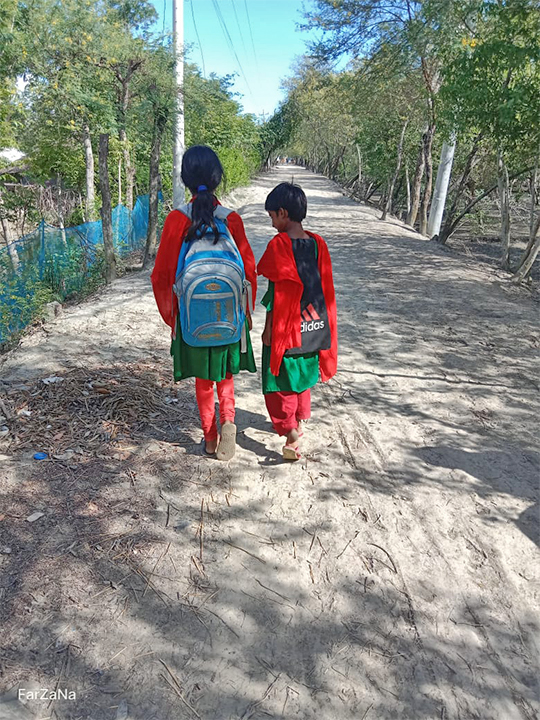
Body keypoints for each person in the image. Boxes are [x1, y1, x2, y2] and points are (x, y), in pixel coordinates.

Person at [151, 145, 257, 460]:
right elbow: (247, 269)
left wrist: (173, 318)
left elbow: (162, 275)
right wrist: (245, 314)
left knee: (203, 381)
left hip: (192, 316)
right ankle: (228, 421)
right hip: (228, 315)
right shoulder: (231, 218)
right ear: (217, 177)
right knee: (224, 375)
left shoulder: (176, 219)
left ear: (185, 179)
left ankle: (210, 438)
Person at [257, 182, 338, 460]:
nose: (271, 223)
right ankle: (300, 420)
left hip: (285, 328)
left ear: (283, 213)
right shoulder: (317, 243)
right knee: (303, 375)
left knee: (279, 382)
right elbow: (325, 286)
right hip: (314, 327)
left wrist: (268, 329)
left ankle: (290, 433)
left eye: (271, 216)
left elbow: (274, 293)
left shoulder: (279, 245)